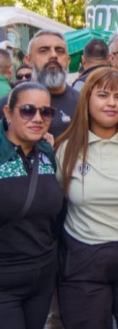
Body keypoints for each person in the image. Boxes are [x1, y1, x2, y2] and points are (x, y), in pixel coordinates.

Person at [54, 67, 118, 329]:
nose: (111, 103)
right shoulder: (66, 148)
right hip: (82, 261)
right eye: (102, 95)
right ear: (86, 100)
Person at [0, 83, 63, 329]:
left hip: (42, 278)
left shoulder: (47, 153)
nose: (38, 118)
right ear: (8, 113)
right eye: (27, 110)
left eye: (46, 112)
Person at [0, 31, 79, 138]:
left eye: (59, 51)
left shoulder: (82, 102)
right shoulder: (10, 102)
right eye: (44, 50)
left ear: (68, 60)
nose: (53, 55)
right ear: (28, 60)